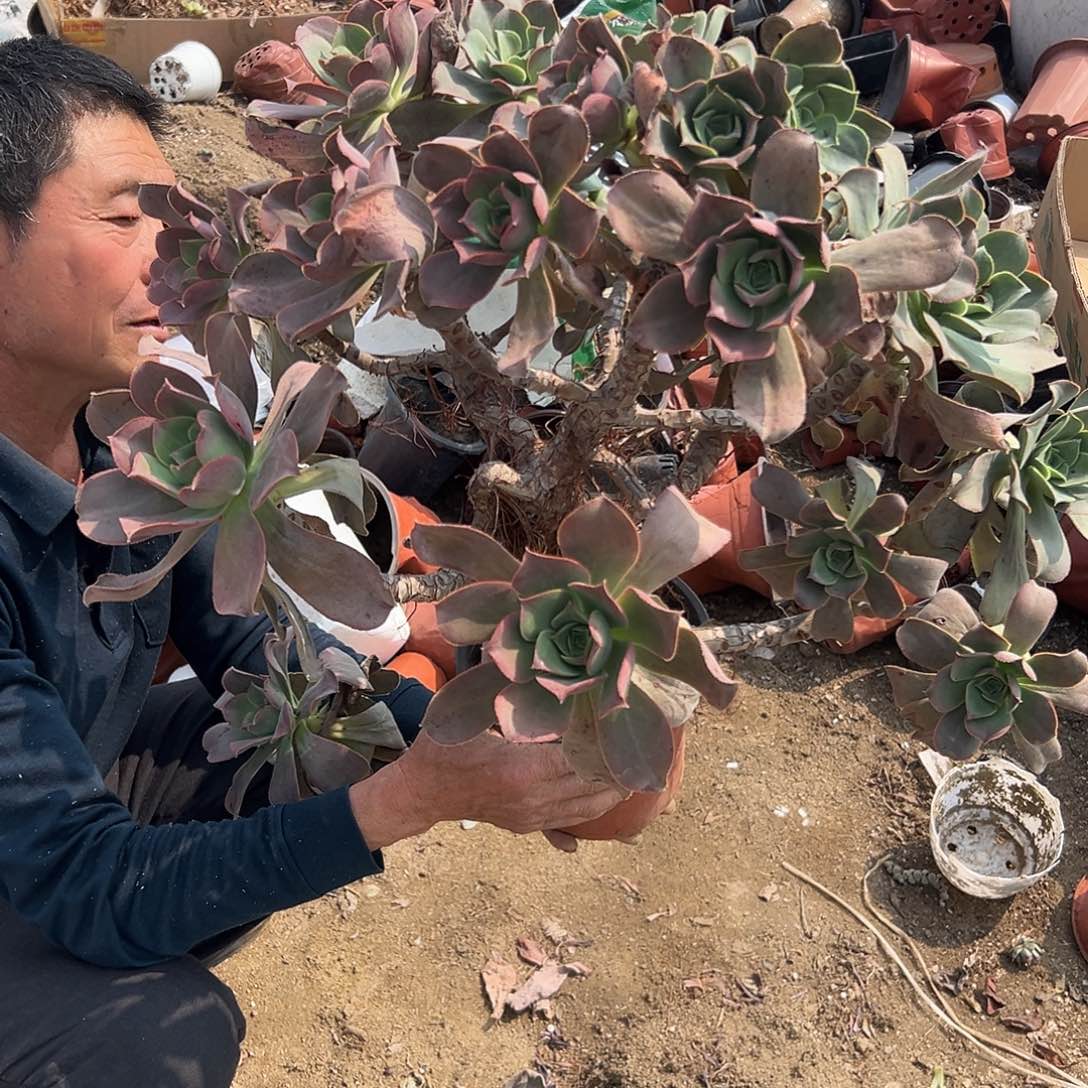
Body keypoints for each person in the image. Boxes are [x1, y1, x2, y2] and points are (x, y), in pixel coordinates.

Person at [0, 36, 627, 1088]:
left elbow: (253, 646)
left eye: (169, 214)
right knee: (159, 1032)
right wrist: (415, 796)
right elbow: (86, 875)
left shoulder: (125, 434)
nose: (170, 251)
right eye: (121, 217)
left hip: (49, 805)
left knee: (301, 734)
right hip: (46, 856)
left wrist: (482, 748)